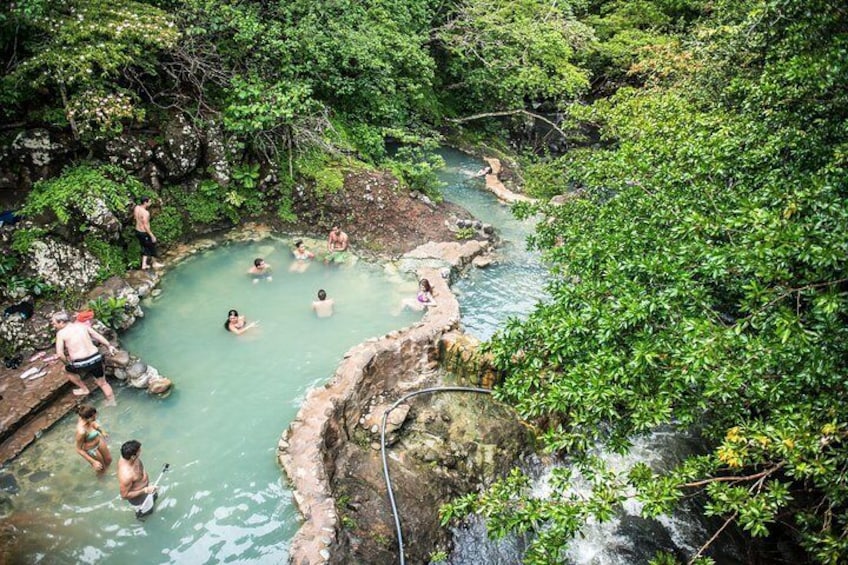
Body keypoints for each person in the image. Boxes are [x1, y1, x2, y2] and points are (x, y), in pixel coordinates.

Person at [52, 311, 116, 402]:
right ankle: (112, 402)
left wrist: (67, 363)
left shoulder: (61, 334)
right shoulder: (81, 325)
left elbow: (60, 354)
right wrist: (109, 346)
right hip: (96, 358)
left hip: (81, 363)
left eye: (54, 323)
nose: (54, 326)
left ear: (61, 322)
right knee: (103, 383)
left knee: (66, 370)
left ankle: (84, 389)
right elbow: (97, 336)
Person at [118, 440, 156, 510]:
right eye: (139, 451)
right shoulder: (126, 475)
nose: (141, 451)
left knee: (154, 499)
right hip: (140, 499)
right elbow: (124, 496)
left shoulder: (128, 456)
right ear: (133, 456)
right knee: (148, 512)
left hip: (147, 488)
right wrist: (144, 490)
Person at [75, 405, 111, 473]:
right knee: (102, 469)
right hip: (92, 449)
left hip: (99, 441)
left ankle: (108, 471)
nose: (95, 417)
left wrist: (102, 431)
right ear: (86, 419)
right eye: (93, 417)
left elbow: (93, 423)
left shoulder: (85, 416)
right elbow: (78, 449)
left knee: (109, 460)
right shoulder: (81, 431)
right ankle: (102, 480)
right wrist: (93, 462)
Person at [134, 196, 163, 270]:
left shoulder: (136, 208)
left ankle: (144, 265)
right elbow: (145, 226)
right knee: (152, 246)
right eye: (149, 202)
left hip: (137, 231)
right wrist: (152, 235)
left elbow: (135, 218)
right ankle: (154, 263)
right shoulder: (145, 213)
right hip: (144, 232)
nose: (150, 203)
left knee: (145, 247)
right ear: (145, 202)